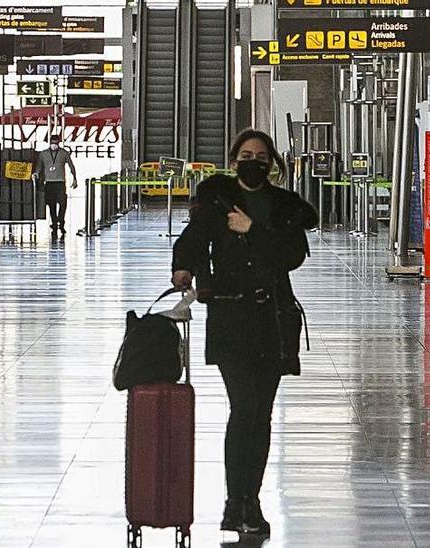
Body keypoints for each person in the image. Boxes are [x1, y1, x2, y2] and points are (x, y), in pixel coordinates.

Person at [170, 129, 318, 537]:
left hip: (272, 318)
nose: (254, 161)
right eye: (246, 154)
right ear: (234, 159)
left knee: (261, 414)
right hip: (230, 317)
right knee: (245, 409)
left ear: (272, 163)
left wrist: (252, 228)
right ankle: (241, 501)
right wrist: (183, 268)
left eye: (262, 155)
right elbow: (192, 241)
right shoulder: (217, 201)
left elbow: (291, 256)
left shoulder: (285, 207)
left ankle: (243, 503)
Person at [34, 135, 77, 236]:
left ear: (59, 143)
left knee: (63, 203)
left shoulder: (64, 153)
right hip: (49, 182)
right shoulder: (43, 154)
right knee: (51, 204)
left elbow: (71, 165)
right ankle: (54, 222)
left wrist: (74, 178)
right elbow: (39, 165)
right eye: (53, 143)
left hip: (60, 182)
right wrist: (36, 173)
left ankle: (61, 221)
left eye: (56, 143)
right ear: (49, 143)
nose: (54, 145)